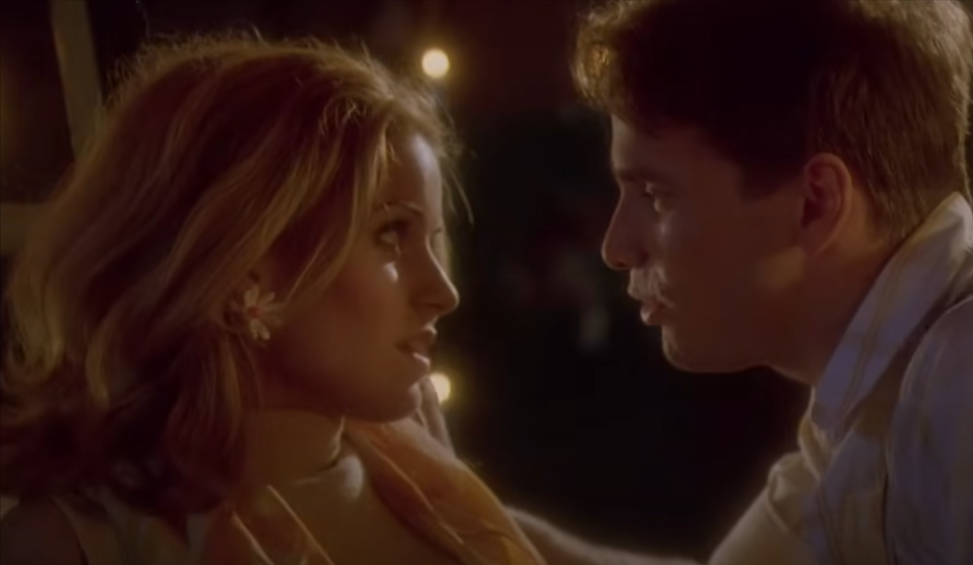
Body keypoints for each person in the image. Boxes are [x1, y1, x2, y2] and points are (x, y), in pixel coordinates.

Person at [0, 34, 547, 565]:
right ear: (242, 266)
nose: (443, 293)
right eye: (390, 235)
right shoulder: (71, 545)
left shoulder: (434, 489)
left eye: (433, 241)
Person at [499, 0, 973, 564]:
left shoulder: (957, 377)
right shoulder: (863, 401)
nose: (616, 249)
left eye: (656, 195)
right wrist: (442, 494)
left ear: (816, 204)